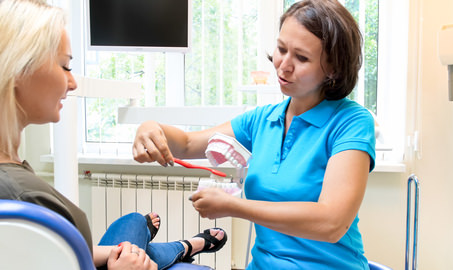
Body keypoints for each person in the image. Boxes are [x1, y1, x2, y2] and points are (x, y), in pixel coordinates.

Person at [133, 0, 375, 269]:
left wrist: (234, 207)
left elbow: (331, 223)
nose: (284, 65)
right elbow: (189, 143)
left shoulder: (351, 122)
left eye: (302, 57)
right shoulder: (262, 120)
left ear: (333, 69)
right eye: (281, 49)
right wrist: (150, 128)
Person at [0, 0, 226, 269]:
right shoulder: (19, 195)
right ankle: (187, 247)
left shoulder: (14, 177)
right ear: (18, 69)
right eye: (65, 66)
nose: (72, 83)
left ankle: (181, 246)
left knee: (133, 222)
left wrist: (115, 257)